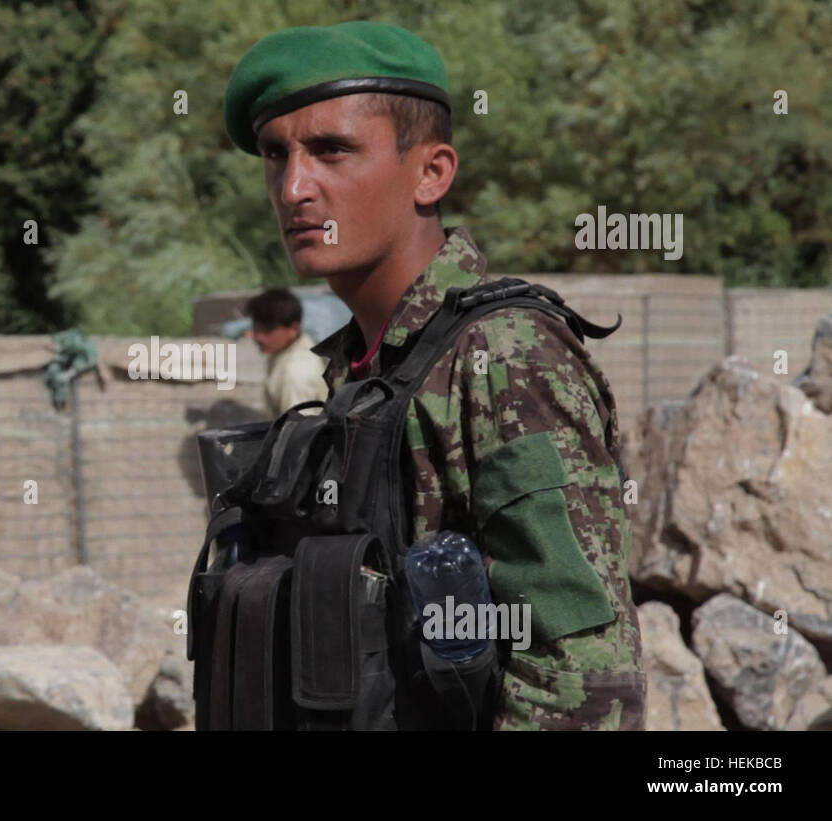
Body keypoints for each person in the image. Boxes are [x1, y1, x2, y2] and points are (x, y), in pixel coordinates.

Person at [222, 20, 644, 729]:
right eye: (275, 155)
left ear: (431, 172)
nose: (294, 186)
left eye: (332, 150)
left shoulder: (504, 356)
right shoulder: (363, 370)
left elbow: (583, 687)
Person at [244, 288, 329, 416]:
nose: (258, 337)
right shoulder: (286, 350)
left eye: (268, 330)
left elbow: (298, 431)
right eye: (256, 328)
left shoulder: (296, 372)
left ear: (293, 329)